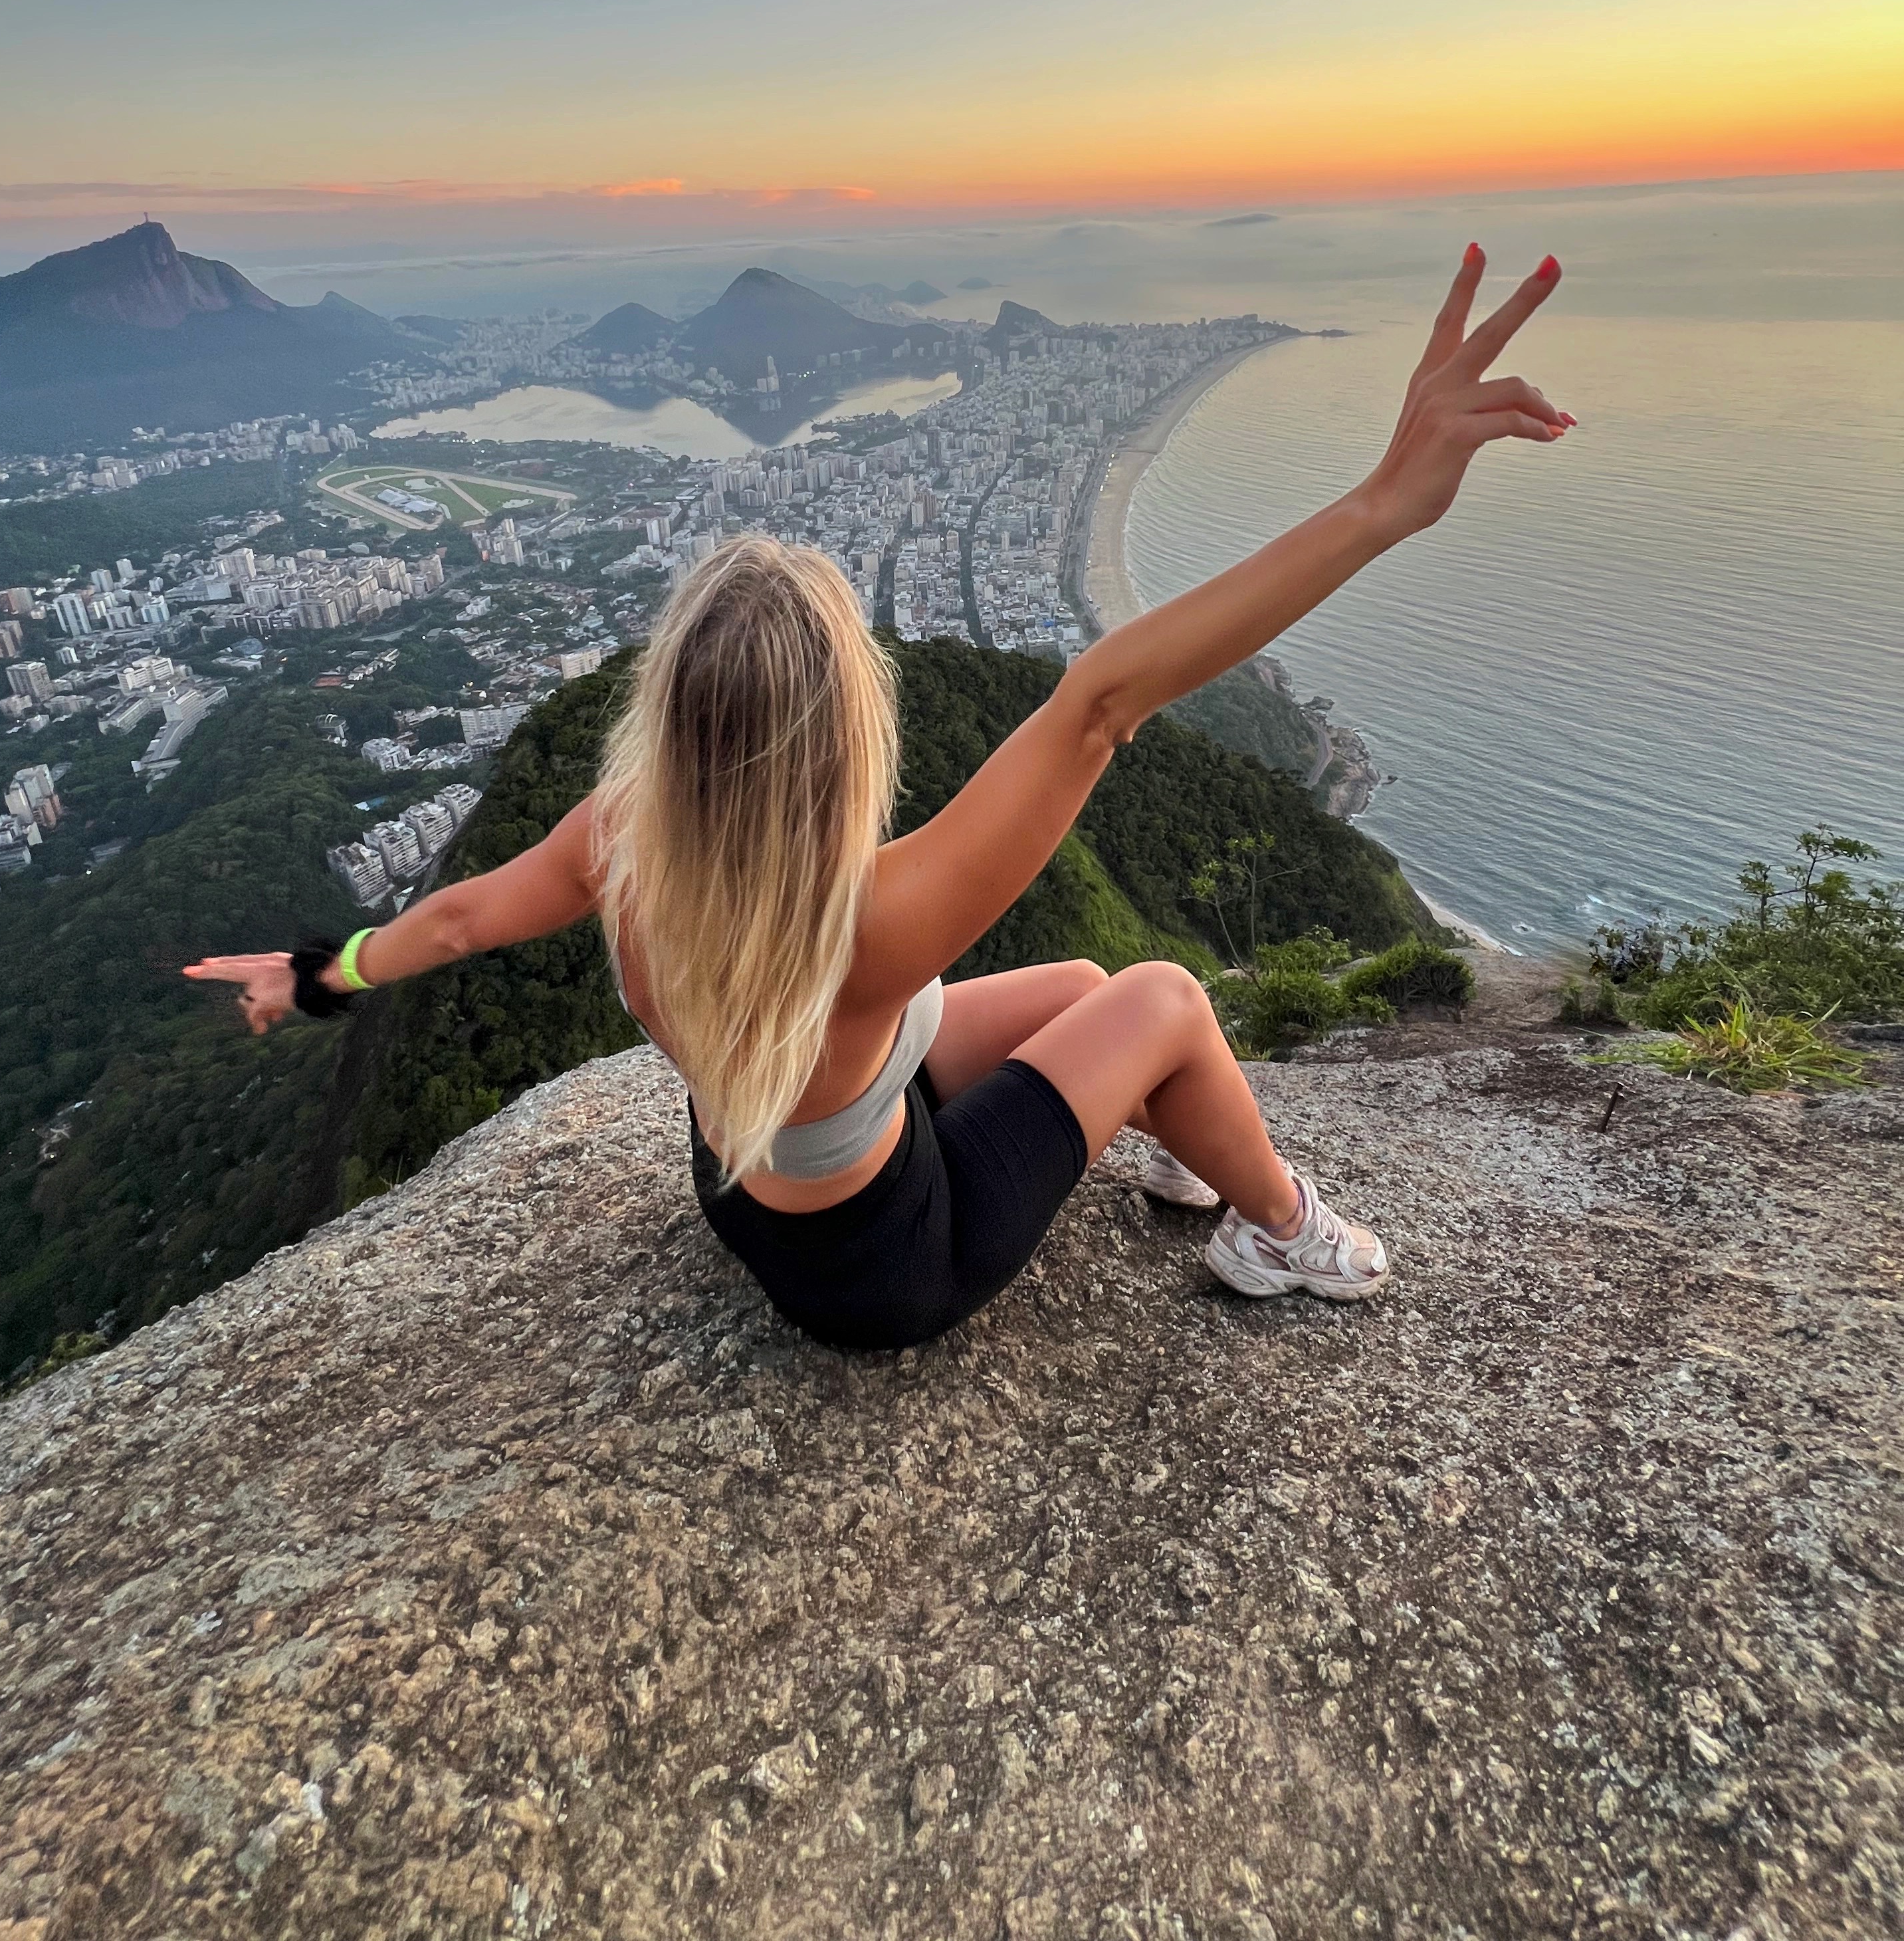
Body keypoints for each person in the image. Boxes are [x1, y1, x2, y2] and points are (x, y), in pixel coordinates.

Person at [189, 245, 1569, 1350]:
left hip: (747, 1187)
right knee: (1161, 1000)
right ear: (843, 735)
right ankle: (1278, 1230)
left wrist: (320, 973)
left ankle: (1178, 1149)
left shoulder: (619, 841)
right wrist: (1383, 503)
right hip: (884, 1270)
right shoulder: (870, 924)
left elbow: (455, 924)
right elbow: (1101, 699)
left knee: (1082, 980)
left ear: (670, 725)